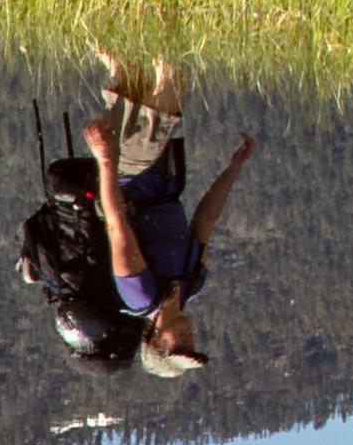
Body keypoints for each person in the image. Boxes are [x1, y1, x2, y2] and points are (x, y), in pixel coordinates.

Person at [20, 51, 253, 374]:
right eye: (192, 346)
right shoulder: (192, 283)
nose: (189, 340)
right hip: (163, 175)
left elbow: (117, 226)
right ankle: (123, 22)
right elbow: (205, 220)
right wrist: (234, 167)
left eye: (179, 346)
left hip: (128, 175)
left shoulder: (139, 295)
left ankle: (154, 14)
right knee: (132, 78)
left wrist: (104, 160)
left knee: (169, 79)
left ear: (155, 341)